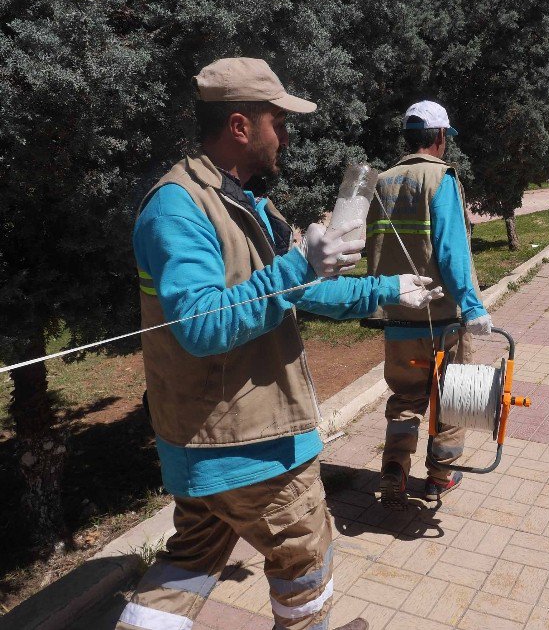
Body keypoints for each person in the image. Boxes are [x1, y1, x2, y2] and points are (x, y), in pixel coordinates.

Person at [119, 58, 442, 630]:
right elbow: (201, 324)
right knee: (303, 554)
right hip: (249, 444)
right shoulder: (178, 208)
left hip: (211, 443)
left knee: (192, 558)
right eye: (279, 121)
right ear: (240, 126)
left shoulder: (239, 198)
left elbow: (304, 289)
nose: (287, 136)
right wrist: (296, 266)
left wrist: (389, 288)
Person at [366, 100, 492, 509]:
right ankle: (439, 477)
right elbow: (452, 251)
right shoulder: (442, 180)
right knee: (452, 396)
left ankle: (394, 469)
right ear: (439, 137)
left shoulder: (381, 181)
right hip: (443, 320)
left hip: (397, 318)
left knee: (405, 401)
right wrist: (473, 307)